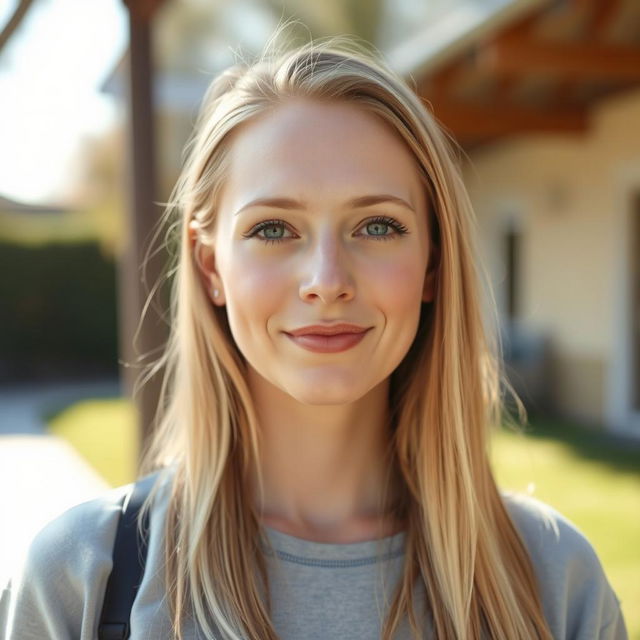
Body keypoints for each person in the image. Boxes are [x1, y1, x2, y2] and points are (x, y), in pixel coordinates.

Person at [0, 34, 628, 640]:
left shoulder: (556, 581)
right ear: (211, 266)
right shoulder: (83, 579)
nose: (327, 281)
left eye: (378, 225)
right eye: (274, 229)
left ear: (434, 263)